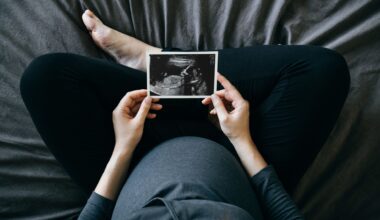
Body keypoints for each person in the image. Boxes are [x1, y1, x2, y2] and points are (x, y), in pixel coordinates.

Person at [19, 9, 350, 219]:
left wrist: (123, 147)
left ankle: (156, 67)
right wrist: (242, 140)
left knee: (45, 78)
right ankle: (158, 64)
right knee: (322, 71)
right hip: (243, 162)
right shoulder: (242, 146)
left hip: (129, 164)